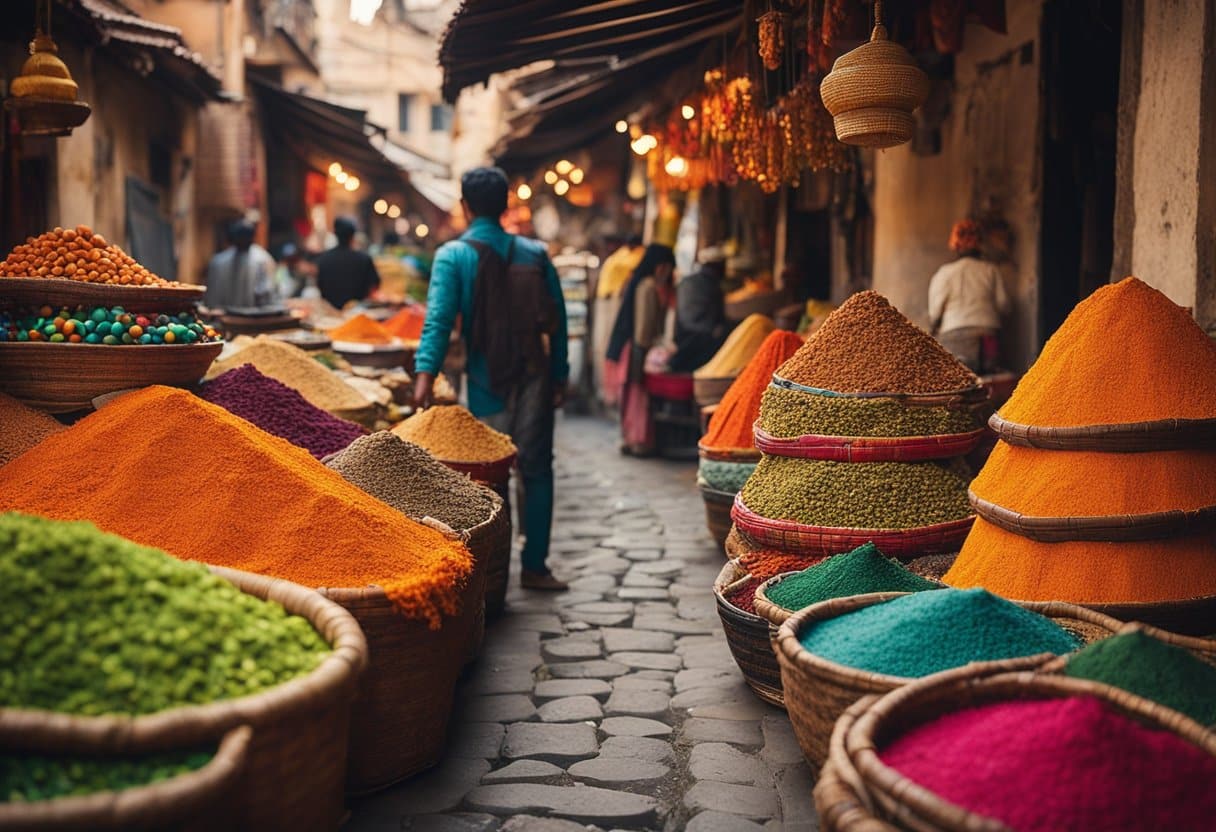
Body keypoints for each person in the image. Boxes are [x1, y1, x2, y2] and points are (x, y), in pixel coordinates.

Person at [413, 167, 570, 592]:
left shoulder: (453, 256)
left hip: (484, 378)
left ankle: (494, 575)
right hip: (535, 375)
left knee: (489, 475)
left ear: (464, 207)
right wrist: (560, 374)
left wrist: (425, 375)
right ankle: (535, 566)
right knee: (536, 469)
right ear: (505, 206)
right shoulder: (535, 254)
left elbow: (440, 321)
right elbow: (557, 322)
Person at [605, 243, 677, 456]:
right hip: (637, 348)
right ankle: (638, 440)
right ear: (660, 267)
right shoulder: (647, 286)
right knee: (638, 396)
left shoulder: (638, 283)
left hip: (630, 346)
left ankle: (630, 438)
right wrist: (654, 348)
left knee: (631, 395)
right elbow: (644, 330)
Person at [928, 219, 1010, 374]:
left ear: (955, 246)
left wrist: (933, 329)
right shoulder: (990, 270)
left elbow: (935, 313)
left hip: (954, 335)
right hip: (988, 335)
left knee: (959, 382)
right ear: (979, 244)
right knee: (990, 382)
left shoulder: (944, 273)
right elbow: (1004, 305)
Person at [594, 234, 644, 407]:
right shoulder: (629, 257)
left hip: (612, 303)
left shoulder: (628, 257)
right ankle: (608, 392)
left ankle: (609, 393)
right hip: (611, 303)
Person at [668, 244, 728, 373]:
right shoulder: (711, 285)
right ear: (718, 266)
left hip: (683, 336)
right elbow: (717, 319)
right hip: (701, 341)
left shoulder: (687, 281)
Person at [203, 220, 278, 311]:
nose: (242, 240)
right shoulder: (219, 261)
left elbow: (267, 294)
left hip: (252, 317)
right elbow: (212, 294)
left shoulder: (262, 260)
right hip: (224, 317)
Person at [316, 217, 381, 309]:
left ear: (335, 235)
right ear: (353, 236)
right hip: (358, 312)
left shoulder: (323, 259)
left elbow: (320, 286)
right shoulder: (364, 258)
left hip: (330, 313)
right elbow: (374, 285)